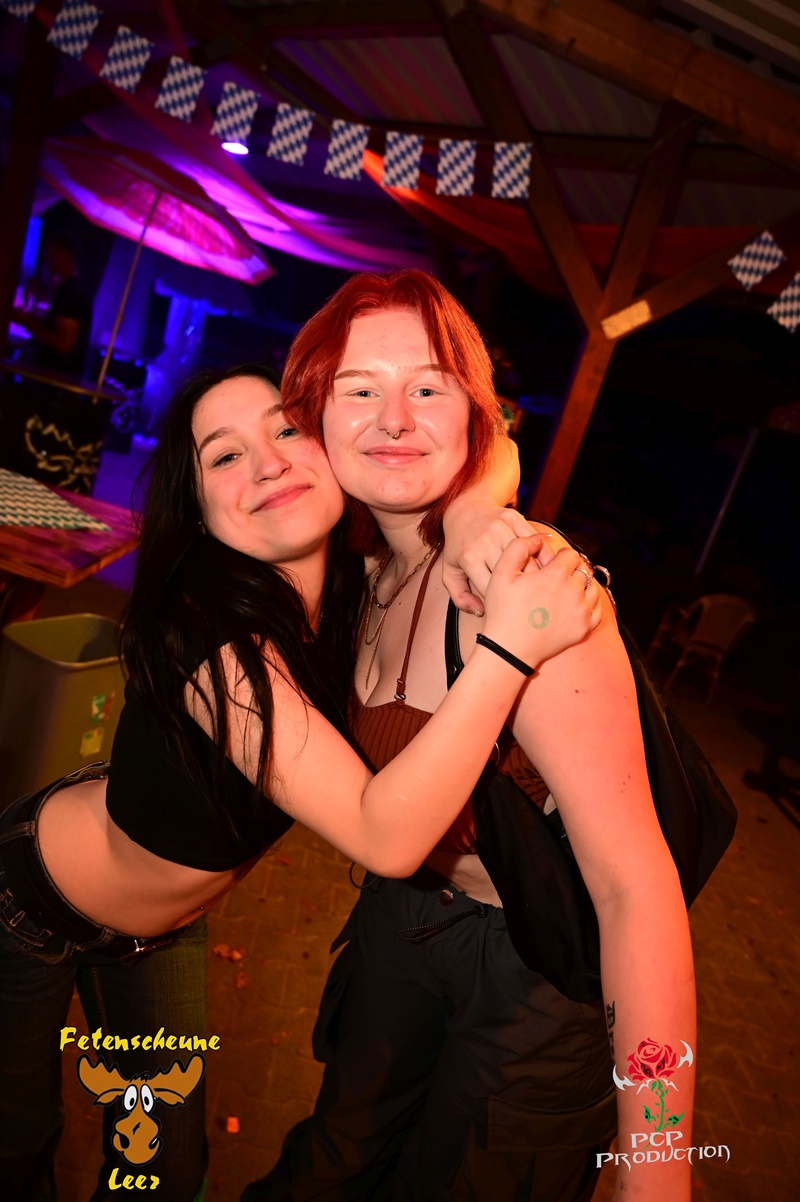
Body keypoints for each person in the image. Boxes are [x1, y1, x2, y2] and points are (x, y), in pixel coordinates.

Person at [0, 362, 600, 1201]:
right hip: (29, 909)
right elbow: (384, 837)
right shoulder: (208, 637)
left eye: (287, 428)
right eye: (224, 455)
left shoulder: (360, 589)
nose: (269, 462)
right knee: (16, 1146)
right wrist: (510, 647)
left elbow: (492, 431)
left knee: (161, 1171)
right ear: (198, 507)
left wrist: (469, 516)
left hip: (160, 934)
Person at [243, 272, 697, 1202]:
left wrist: (656, 1164)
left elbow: (635, 893)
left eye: (429, 386)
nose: (394, 417)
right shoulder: (363, 567)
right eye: (359, 389)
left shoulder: (524, 587)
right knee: (335, 1159)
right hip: (399, 919)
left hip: (534, 970)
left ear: (474, 416)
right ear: (314, 420)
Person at [13, 233, 92, 378]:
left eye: (50, 252)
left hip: (54, 380)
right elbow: (56, 331)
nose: (45, 259)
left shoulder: (70, 293)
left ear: (62, 255)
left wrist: (26, 321)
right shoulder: (68, 290)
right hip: (52, 379)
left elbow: (63, 343)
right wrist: (27, 319)